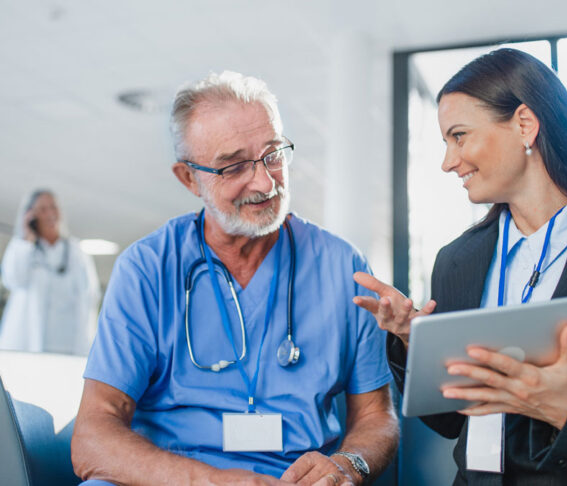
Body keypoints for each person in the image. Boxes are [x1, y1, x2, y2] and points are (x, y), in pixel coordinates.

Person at [71, 71, 399, 486]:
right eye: (235, 166)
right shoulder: (149, 267)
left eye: (274, 154)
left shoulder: (341, 265)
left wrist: (349, 463)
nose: (265, 182)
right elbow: (92, 437)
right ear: (189, 178)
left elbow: (376, 416)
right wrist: (213, 482)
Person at [355, 48, 567, 485]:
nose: (448, 161)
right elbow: (452, 422)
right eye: (445, 142)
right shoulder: (458, 259)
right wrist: (411, 341)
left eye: (459, 136)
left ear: (524, 125)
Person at [0, 189, 100, 355]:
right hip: (25, 344)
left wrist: (87, 343)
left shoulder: (76, 252)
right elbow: (13, 280)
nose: (50, 214)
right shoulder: (22, 247)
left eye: (53, 207)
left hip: (66, 346)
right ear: (30, 215)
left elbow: (89, 297)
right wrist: (27, 239)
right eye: (42, 209)